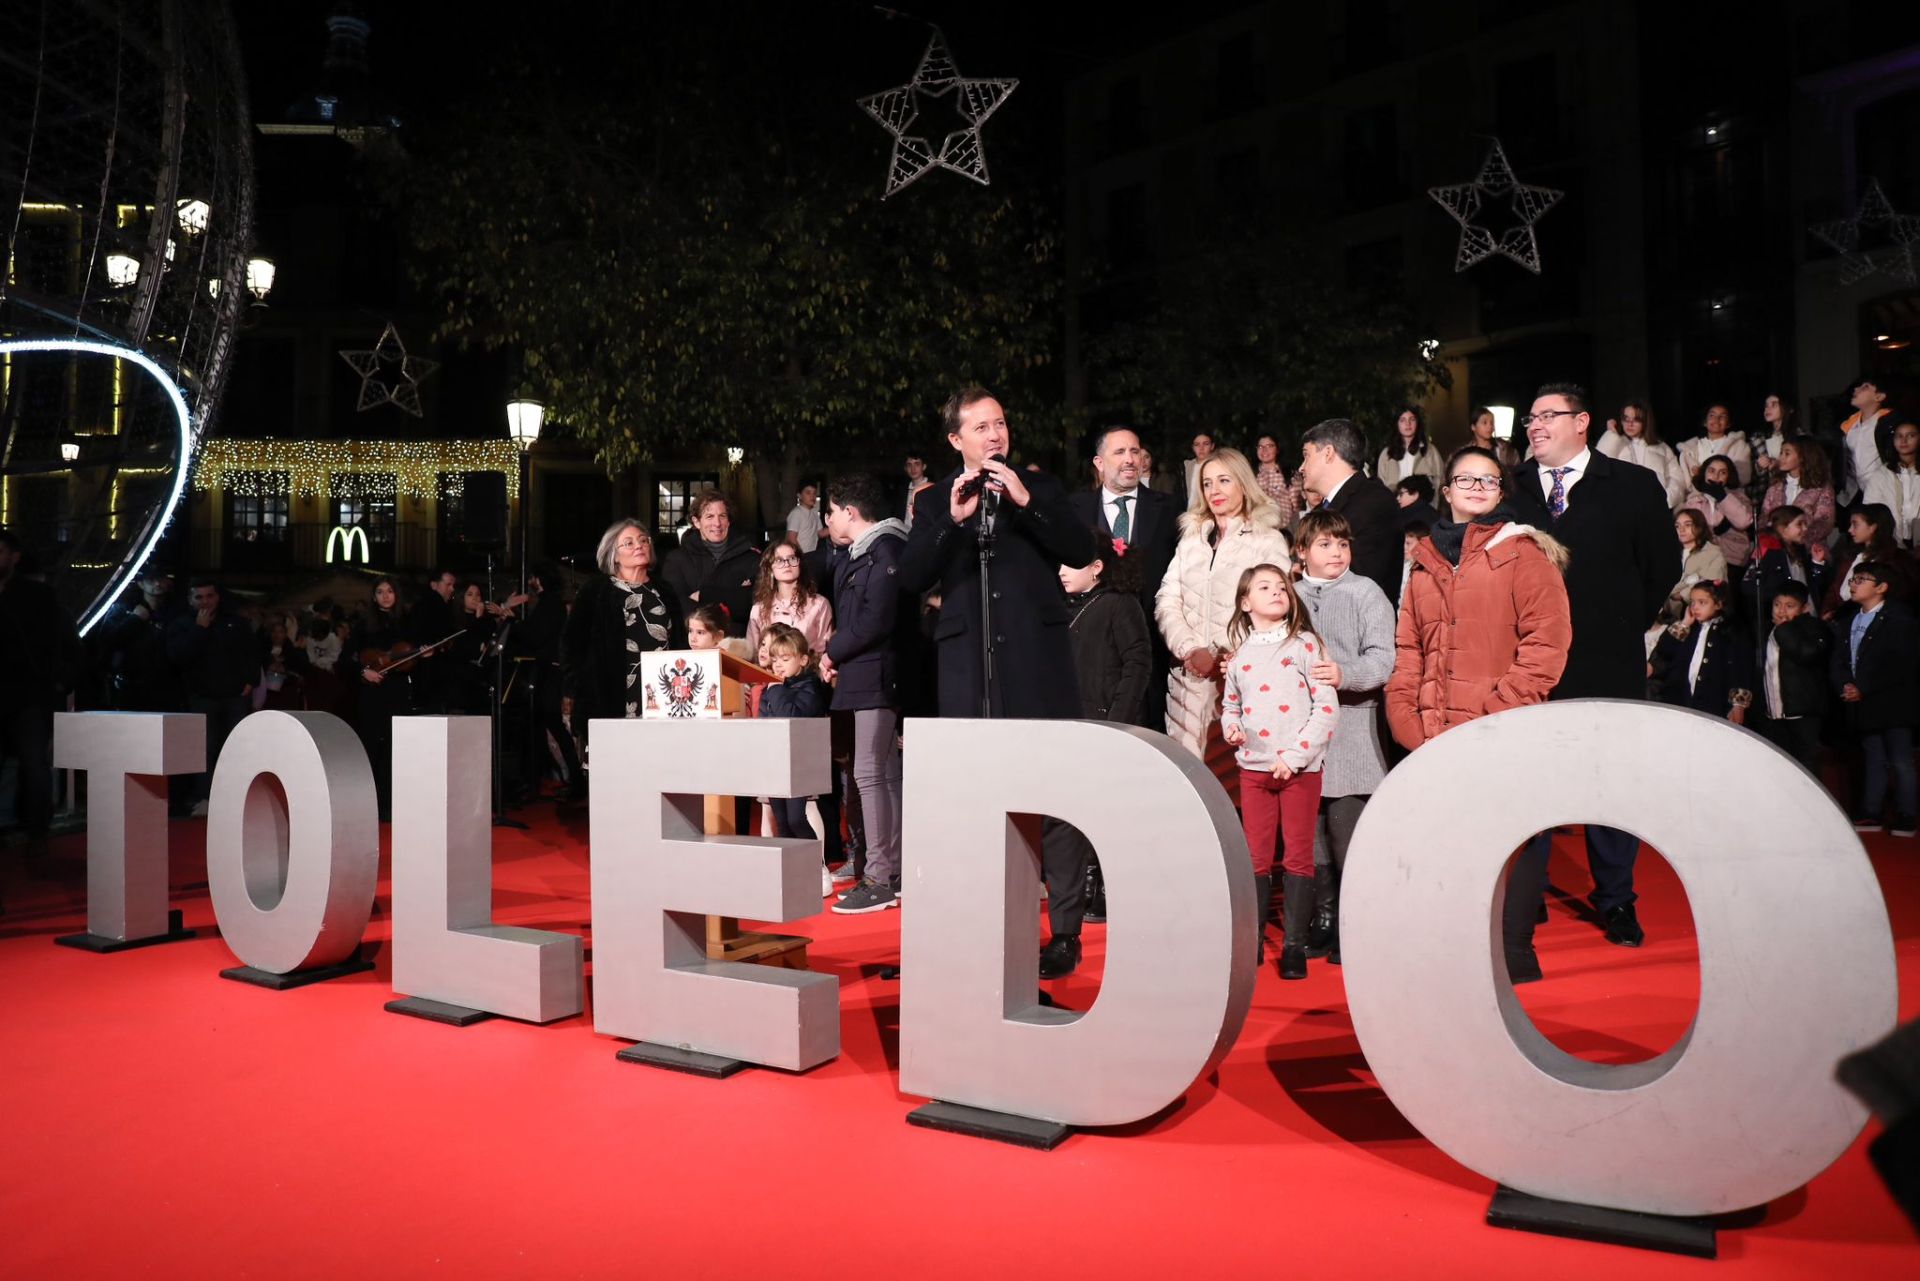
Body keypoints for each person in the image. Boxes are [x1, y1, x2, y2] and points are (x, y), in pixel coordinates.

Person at [1387, 445, 1572, 982]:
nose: (1475, 486)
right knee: (1450, 845)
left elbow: (1547, 644)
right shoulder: (1423, 561)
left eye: (1488, 479)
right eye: (1464, 478)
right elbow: (1408, 651)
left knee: (1515, 837)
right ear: (1445, 491)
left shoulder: (1523, 554)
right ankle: (1458, 947)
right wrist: (1408, 721)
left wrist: (1496, 715)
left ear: (1500, 492)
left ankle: (1514, 950)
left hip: (1499, 730)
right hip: (1433, 736)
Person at [1508, 382, 1678, 952]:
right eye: (1530, 418)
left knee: (1610, 785)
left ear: (1581, 422)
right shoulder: (1512, 491)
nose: (1533, 426)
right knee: (1527, 783)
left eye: (1546, 416)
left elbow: (1661, 566)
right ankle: (1525, 897)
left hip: (1607, 659)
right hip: (1527, 663)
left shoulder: (1631, 484)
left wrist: (1624, 621)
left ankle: (1616, 899)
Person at [899, 387, 1097, 719]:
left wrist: (1028, 505)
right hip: (968, 664)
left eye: (1000, 424)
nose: (995, 435)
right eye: (981, 428)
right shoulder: (934, 500)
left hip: (1036, 658)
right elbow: (912, 576)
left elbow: (1081, 551)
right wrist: (951, 521)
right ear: (955, 440)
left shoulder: (1041, 487)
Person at [1219, 564, 1338, 978]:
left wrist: (1295, 755)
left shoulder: (1305, 645)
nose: (1276, 592)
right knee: (1255, 856)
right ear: (1245, 603)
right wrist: (1231, 727)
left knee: (1299, 856)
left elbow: (1326, 708)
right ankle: (1250, 940)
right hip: (1253, 768)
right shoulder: (1239, 657)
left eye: (1281, 586)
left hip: (1299, 770)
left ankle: (1294, 945)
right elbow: (1230, 704)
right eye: (1263, 587)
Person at [1291, 509, 1396, 968]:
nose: (1336, 552)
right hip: (1301, 734)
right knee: (1309, 833)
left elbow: (1383, 659)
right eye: (1325, 545)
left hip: (1353, 732)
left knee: (1346, 832)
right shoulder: (1289, 595)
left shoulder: (1365, 592)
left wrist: (1344, 674)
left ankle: (1357, 922)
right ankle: (1325, 917)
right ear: (1302, 553)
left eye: (1342, 544)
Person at [1155, 446, 1291, 791]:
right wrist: (1189, 649)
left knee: (1233, 793)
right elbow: (1167, 599)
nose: (1214, 490)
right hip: (1186, 685)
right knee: (1186, 792)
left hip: (1238, 684)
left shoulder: (1266, 540)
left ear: (1243, 484)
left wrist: (1221, 654)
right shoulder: (1192, 539)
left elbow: (1274, 609)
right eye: (1207, 483)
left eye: (1223, 481)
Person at [820, 472, 915, 915]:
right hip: (864, 674)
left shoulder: (884, 550)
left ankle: (880, 875)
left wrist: (831, 650)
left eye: (833, 511)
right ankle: (889, 869)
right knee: (881, 773)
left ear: (850, 512)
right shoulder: (862, 553)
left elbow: (875, 619)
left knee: (872, 774)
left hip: (876, 676)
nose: (829, 519)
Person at [1054, 536, 1153, 947]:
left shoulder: (1118, 603)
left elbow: (1138, 661)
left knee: (1109, 814)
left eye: (1069, 564)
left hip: (1108, 726)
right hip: (1066, 729)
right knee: (1071, 818)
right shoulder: (1060, 608)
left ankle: (1110, 888)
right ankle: (1083, 890)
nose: (1059, 571)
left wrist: (1117, 723)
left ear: (1096, 567)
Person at [1068, 426, 1179, 725]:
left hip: (1153, 648)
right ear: (1099, 462)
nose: (1130, 459)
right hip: (1091, 654)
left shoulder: (1170, 509)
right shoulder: (1073, 510)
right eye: (1119, 452)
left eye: (1135, 451)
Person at [561, 520, 686, 747]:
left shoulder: (664, 591)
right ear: (614, 555)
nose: (638, 546)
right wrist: (574, 691)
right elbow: (572, 646)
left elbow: (679, 644)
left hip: (661, 697)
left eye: (642, 540)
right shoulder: (596, 590)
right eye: (628, 543)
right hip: (609, 696)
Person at [0, 531, 79, 861]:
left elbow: (62, 645)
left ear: (14, 556)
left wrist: (59, 683)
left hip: (30, 695)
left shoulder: (38, 596)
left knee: (34, 764)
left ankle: (37, 831)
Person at [1833, 561, 1919, 836]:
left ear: (1882, 587)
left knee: (1901, 759)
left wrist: (1864, 688)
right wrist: (1845, 683)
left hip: (1893, 702)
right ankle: (1872, 811)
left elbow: (1900, 664)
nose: (1854, 584)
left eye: (1862, 579)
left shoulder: (1900, 619)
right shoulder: (1849, 619)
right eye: (1853, 579)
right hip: (1863, 703)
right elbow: (1839, 660)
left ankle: (1907, 814)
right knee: (1873, 756)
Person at [166, 577, 258, 817]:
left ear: (218, 596)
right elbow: (177, 657)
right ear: (190, 599)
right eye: (199, 597)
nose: (205, 601)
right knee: (204, 749)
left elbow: (251, 652)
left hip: (235, 696)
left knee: (236, 747)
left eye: (210, 596)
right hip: (201, 697)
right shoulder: (182, 624)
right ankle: (205, 797)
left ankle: (237, 797)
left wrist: (250, 681)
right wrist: (199, 630)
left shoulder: (235, 622)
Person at [1298, 417, 1403, 603]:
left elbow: (1364, 580)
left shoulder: (1374, 502)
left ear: (1328, 453)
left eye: (1306, 455)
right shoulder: (1323, 509)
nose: (1301, 467)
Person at [338, 577, 413, 822]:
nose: (385, 596)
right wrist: (364, 672)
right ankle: (370, 805)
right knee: (372, 748)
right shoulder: (362, 626)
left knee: (396, 750)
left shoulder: (407, 623)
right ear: (373, 597)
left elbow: (414, 661)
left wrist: (424, 654)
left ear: (397, 594)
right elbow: (343, 662)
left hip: (398, 692)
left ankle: (392, 805)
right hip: (371, 694)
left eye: (390, 591)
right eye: (380, 592)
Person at [756, 623, 831, 853]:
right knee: (783, 822)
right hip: (776, 763)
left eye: (785, 659)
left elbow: (792, 716)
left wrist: (777, 688)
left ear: (803, 660)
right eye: (775, 659)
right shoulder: (775, 688)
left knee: (797, 819)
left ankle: (817, 866)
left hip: (800, 763)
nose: (778, 664)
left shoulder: (809, 686)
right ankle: (792, 872)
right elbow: (765, 721)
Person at [514, 562, 583, 801]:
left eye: (531, 578)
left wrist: (511, 617)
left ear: (537, 578)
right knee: (550, 727)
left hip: (548, 673)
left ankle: (569, 780)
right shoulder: (551, 603)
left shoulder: (548, 603)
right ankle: (568, 779)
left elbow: (534, 636)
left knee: (549, 726)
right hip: (550, 671)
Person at [1650, 580, 1754, 720]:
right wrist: (1685, 623)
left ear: (1719, 604)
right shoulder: (1688, 628)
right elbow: (1665, 650)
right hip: (1682, 701)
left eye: (1702, 602)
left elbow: (1739, 669)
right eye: (1692, 602)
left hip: (1712, 705)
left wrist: (1737, 705)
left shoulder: (1731, 632)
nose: (1695, 607)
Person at [1757, 582, 1830, 774]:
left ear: (1804, 608)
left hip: (1802, 713)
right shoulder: (1767, 629)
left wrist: (1784, 630)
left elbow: (1807, 654)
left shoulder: (1813, 628)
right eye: (1777, 604)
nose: (1781, 611)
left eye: (1789, 606)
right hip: (1774, 714)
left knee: (1806, 768)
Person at [662, 490, 759, 628]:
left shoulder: (750, 557)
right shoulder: (676, 560)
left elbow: (752, 605)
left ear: (729, 521)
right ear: (696, 522)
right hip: (694, 642)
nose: (717, 523)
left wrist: (704, 595)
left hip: (737, 643)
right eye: (709, 516)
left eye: (722, 516)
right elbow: (675, 605)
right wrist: (732, 596)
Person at [744, 536, 833, 658]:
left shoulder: (819, 604)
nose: (787, 564)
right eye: (779, 560)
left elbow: (823, 649)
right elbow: (753, 653)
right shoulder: (758, 609)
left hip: (807, 673)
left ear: (800, 564)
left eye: (792, 558)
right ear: (770, 569)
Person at [1748, 505, 1832, 633]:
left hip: (1806, 621)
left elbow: (1809, 586)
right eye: (1799, 524)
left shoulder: (1800, 550)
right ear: (1783, 528)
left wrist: (1816, 564)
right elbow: (1748, 586)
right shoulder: (1767, 550)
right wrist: (1783, 600)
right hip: (1783, 625)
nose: (1805, 528)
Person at [1822, 504, 1914, 619]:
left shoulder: (1895, 561)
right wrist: (1828, 611)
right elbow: (1835, 588)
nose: (1850, 530)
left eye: (1855, 524)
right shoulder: (1851, 556)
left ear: (1873, 527)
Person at [1597, 401, 1687, 510]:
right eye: (1626, 419)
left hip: (1653, 510)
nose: (1629, 424)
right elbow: (1598, 467)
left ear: (1645, 422)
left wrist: (1664, 501)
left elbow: (1677, 480)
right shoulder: (1616, 442)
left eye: (1636, 419)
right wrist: (1611, 434)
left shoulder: (1662, 448)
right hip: (1621, 509)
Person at [1757, 435, 1837, 549]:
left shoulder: (1821, 487)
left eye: (1787, 453)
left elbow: (1824, 523)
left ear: (1802, 457)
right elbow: (1764, 518)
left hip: (1810, 551)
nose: (1781, 458)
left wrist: (1800, 538)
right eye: (1781, 453)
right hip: (1776, 549)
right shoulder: (1775, 486)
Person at [1682, 455, 1755, 567]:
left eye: (1722, 472)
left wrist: (1722, 497)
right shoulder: (1694, 501)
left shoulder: (1739, 498)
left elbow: (1744, 522)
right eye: (1712, 471)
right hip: (1702, 560)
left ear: (1728, 476)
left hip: (1732, 559)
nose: (1716, 476)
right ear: (1704, 473)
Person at [405, 568, 461, 714]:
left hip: (428, 672)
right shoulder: (436, 606)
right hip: (431, 674)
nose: (452, 589)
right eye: (448, 584)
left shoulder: (425, 605)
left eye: (453, 585)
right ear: (434, 585)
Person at [1839, 376, 1898, 509]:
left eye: (1865, 387)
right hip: (1856, 494)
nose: (1856, 389)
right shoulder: (1849, 427)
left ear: (1879, 396)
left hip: (1885, 491)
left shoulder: (1889, 424)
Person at [1677, 402, 1754, 486]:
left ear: (1728, 424)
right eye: (1712, 415)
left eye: (1723, 416)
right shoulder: (1690, 449)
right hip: (1696, 497)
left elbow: (1744, 478)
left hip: (1727, 496)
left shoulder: (1739, 446)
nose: (1717, 419)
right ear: (1705, 422)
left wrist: (1703, 473)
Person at [1376, 406, 1445, 494]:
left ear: (1417, 423)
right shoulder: (1386, 454)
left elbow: (1441, 481)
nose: (1407, 424)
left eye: (1412, 419)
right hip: (1394, 505)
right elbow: (1381, 487)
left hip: (1423, 505)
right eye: (1402, 420)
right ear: (1397, 424)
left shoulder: (1430, 451)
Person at [1253, 434, 1298, 527]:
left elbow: (1296, 505)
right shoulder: (1252, 474)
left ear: (1277, 449)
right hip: (1258, 527)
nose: (1264, 450)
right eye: (1260, 446)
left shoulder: (1288, 473)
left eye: (1269, 446)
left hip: (1284, 527)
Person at [1468, 404, 1522, 470]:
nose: (1490, 426)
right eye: (1484, 422)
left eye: (1492, 423)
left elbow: (1517, 471)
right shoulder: (1466, 452)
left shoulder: (1506, 450)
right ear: (1473, 427)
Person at [785, 483, 825, 554]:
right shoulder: (796, 513)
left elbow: (821, 533)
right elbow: (791, 538)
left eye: (814, 493)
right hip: (800, 555)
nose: (812, 496)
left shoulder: (814, 512)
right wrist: (801, 555)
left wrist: (836, 527)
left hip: (811, 554)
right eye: (808, 493)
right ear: (799, 495)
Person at [1183, 431, 1217, 506]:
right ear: (1193, 447)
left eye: (1206, 444)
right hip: (1189, 512)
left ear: (1212, 446)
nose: (1201, 448)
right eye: (1197, 444)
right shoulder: (1187, 466)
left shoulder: (1218, 466)